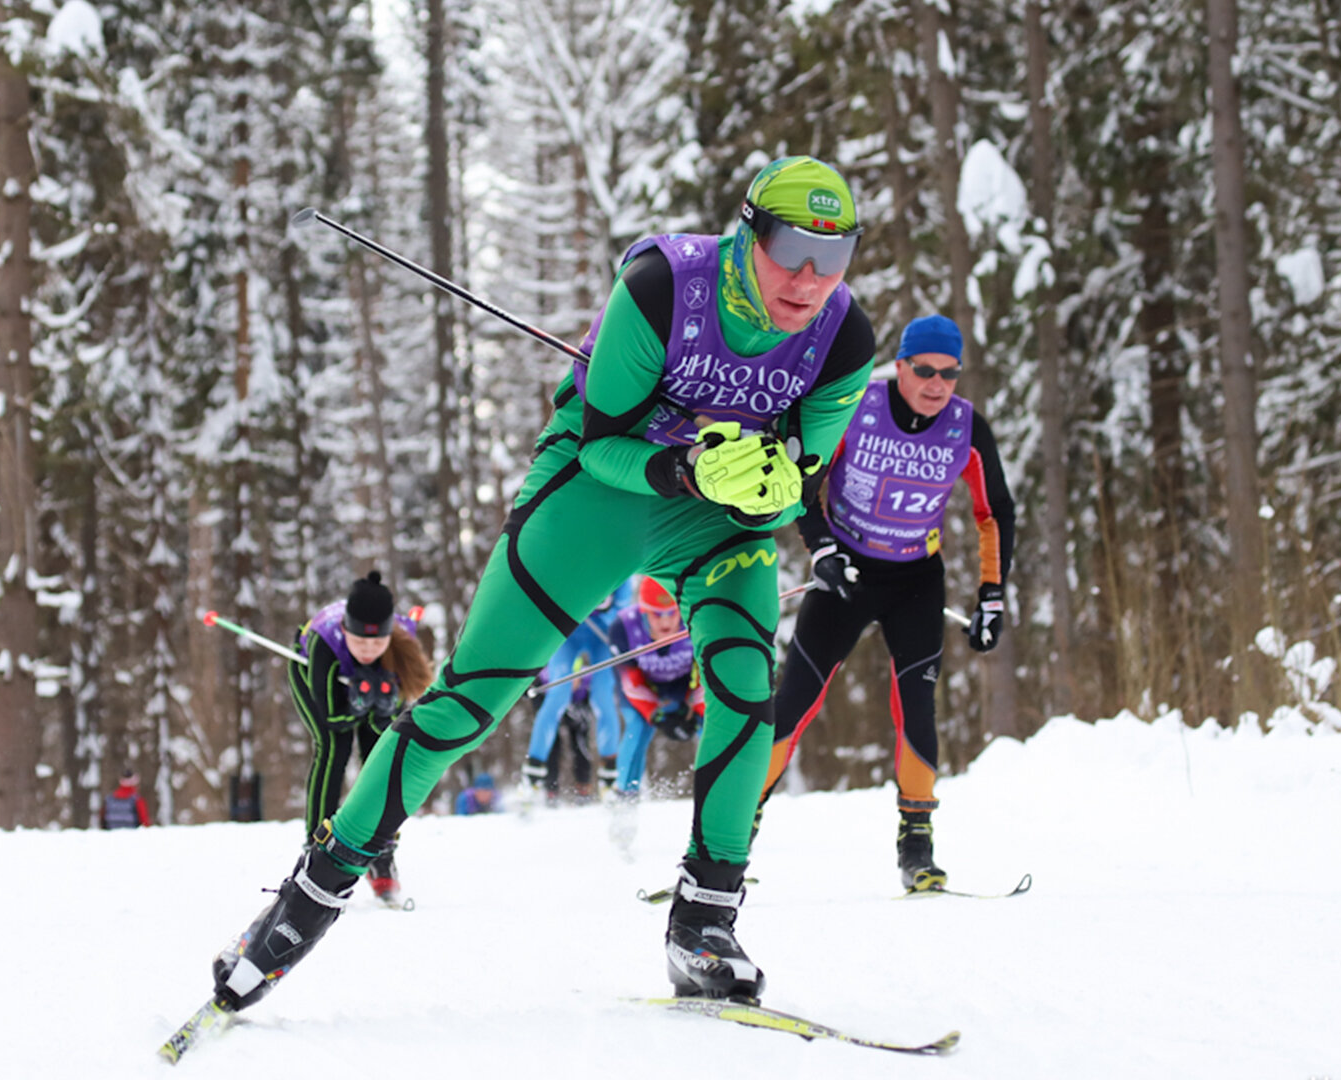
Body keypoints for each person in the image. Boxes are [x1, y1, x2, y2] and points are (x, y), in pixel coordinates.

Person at [206, 155, 875, 1014]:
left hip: (719, 523)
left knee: (748, 693)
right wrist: (687, 469)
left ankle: (703, 924)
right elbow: (602, 443)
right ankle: (304, 903)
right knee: (469, 700)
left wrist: (779, 482)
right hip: (602, 490)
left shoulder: (845, 338)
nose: (811, 278)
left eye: (837, 255)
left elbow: (804, 467)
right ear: (748, 232)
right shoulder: (664, 286)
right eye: (792, 248)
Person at [756, 314, 1015, 893]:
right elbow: (802, 484)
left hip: (914, 581)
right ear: (901, 366)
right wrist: (821, 550)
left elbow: (994, 512)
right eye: (924, 370)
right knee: (794, 700)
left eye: (949, 373)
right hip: (845, 572)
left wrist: (992, 594)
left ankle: (916, 849)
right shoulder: (858, 407)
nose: (937, 384)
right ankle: (732, 838)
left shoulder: (967, 429)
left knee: (916, 707)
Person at [290, 571, 434, 902]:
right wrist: (356, 705)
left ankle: (382, 854)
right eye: (360, 642)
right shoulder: (325, 642)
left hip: (369, 689)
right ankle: (317, 846)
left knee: (381, 755)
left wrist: (383, 708)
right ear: (345, 630)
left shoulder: (400, 643)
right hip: (312, 675)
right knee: (333, 749)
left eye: (376, 642)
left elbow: (395, 716)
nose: (368, 650)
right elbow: (331, 717)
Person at [522, 582, 632, 802]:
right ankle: (532, 775)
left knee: (603, 698)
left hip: (601, 633)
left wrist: (604, 609)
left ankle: (610, 776)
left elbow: (622, 607)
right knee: (557, 698)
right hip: (567, 635)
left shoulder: (617, 559)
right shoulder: (570, 554)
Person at [608, 575, 704, 799]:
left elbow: (705, 673)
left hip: (682, 686)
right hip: (643, 689)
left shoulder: (695, 620)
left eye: (672, 612)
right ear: (643, 611)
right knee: (637, 728)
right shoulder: (623, 628)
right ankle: (625, 794)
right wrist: (657, 714)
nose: (665, 621)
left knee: (710, 720)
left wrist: (695, 708)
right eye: (657, 614)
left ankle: (719, 788)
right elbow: (630, 682)